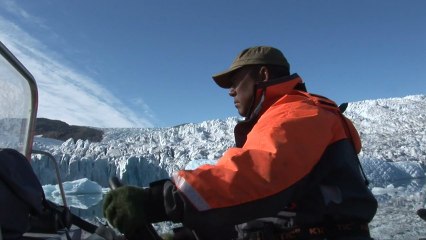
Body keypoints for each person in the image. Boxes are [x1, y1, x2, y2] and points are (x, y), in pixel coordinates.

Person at [103, 46, 378, 240]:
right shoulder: (282, 117)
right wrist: (186, 235)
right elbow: (263, 209)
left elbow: (256, 177)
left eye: (235, 81)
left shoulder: (300, 114)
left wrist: (158, 201)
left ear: (263, 76)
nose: (231, 91)